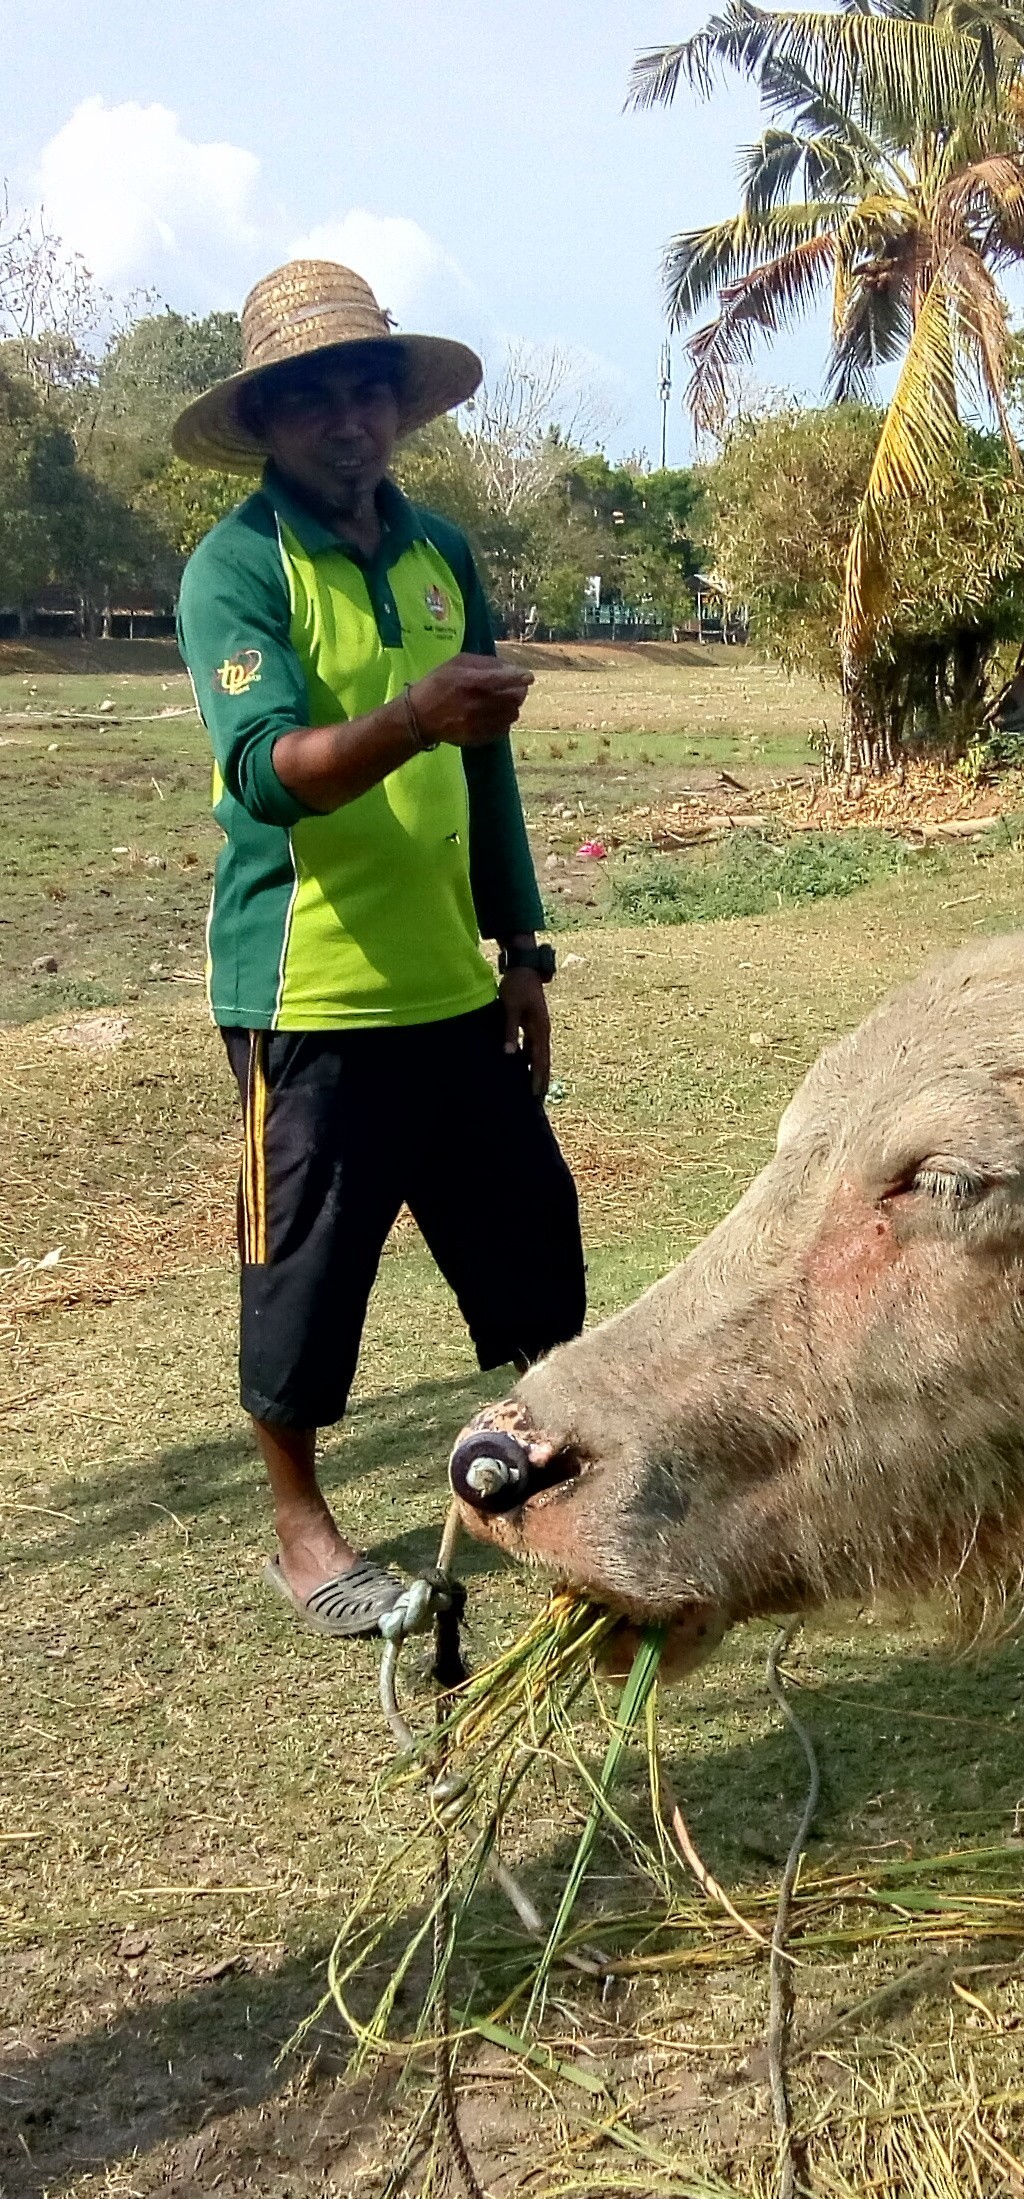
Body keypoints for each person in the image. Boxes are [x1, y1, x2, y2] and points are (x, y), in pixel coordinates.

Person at [172, 259, 585, 1635]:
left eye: (368, 389)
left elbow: (488, 776)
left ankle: (553, 1472)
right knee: (302, 1275)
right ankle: (302, 1534)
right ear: (269, 422)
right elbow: (267, 775)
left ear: (397, 406)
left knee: (531, 1244)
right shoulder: (238, 567)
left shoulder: (440, 553)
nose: (348, 420)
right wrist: (409, 716)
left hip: (447, 989)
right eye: (312, 400)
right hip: (307, 994)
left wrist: (519, 946)